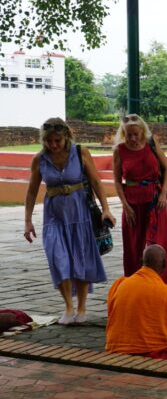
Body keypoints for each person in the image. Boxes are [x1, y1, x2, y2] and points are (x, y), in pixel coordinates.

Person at [23, 118, 112, 325]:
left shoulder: (81, 153)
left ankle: (81, 306)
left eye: (57, 141)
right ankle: (68, 306)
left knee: (80, 259)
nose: (53, 145)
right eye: (49, 141)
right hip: (54, 215)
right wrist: (27, 221)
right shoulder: (40, 159)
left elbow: (96, 182)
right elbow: (31, 191)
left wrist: (106, 209)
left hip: (80, 214)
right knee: (57, 257)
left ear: (66, 137)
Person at [112, 114, 167, 286]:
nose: (133, 138)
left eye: (136, 134)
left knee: (161, 242)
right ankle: (135, 283)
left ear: (142, 131)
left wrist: (163, 194)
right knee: (134, 246)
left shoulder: (151, 144)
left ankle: (161, 283)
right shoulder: (120, 150)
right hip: (133, 202)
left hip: (155, 200)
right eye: (128, 134)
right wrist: (125, 206)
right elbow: (117, 181)